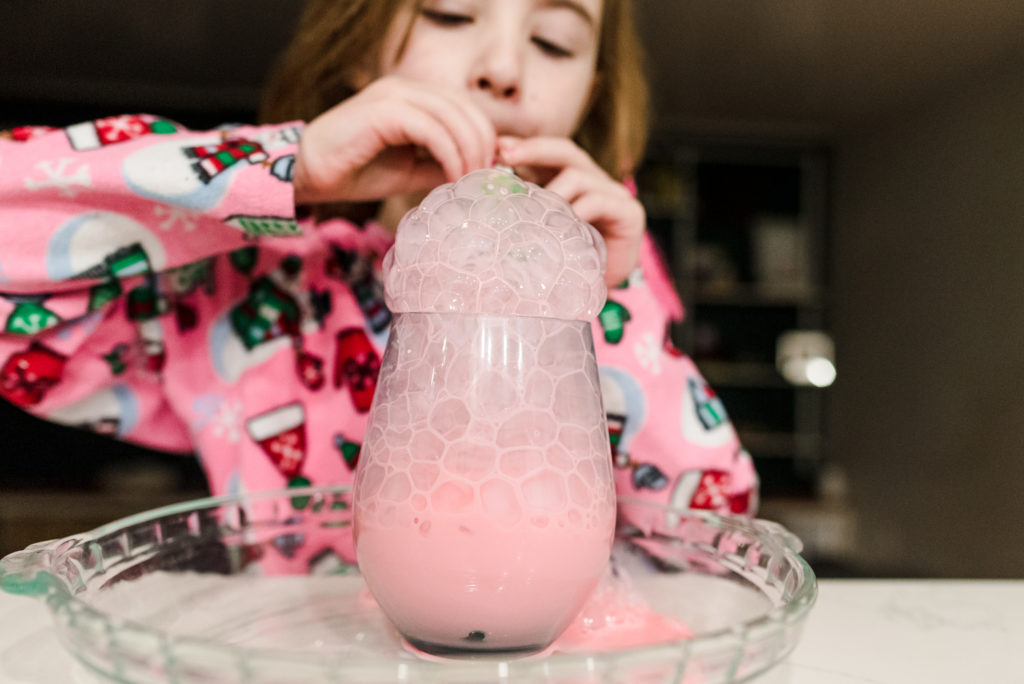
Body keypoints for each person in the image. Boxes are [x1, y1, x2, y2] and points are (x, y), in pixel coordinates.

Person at [0, 0, 757, 556]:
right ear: (360, 51)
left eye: (555, 42)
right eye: (451, 14)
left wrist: (597, 303)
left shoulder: (610, 267)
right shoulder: (245, 281)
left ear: (588, 94)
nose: (503, 68)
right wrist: (284, 169)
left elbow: (712, 545)